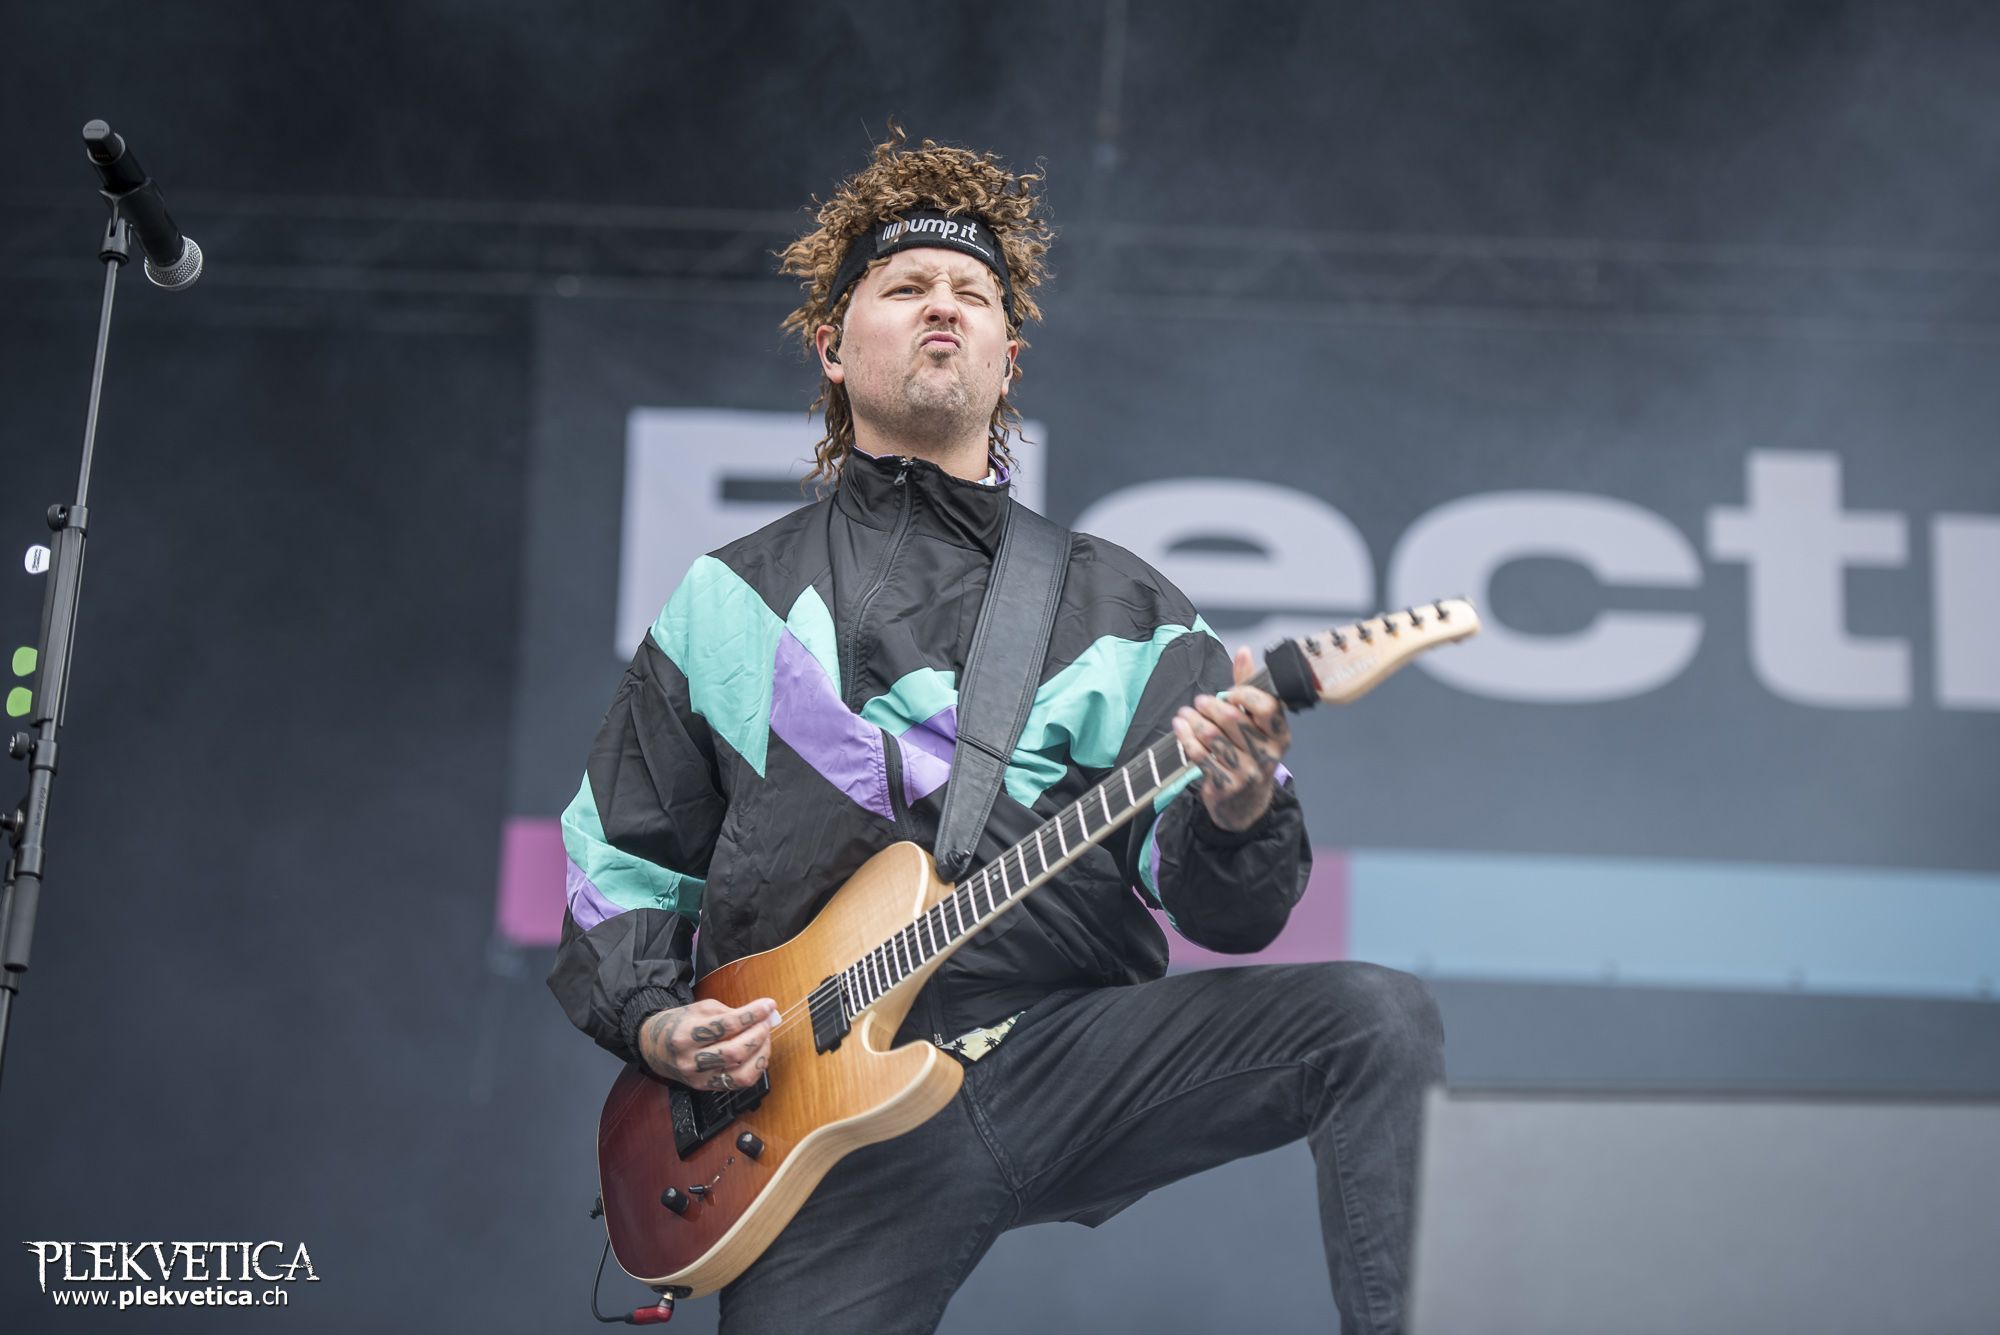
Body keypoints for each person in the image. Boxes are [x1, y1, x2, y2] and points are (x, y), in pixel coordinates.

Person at [548, 127, 1444, 1335]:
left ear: (1005, 359)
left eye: (972, 294)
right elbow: (619, 863)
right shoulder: (727, 600)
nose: (943, 307)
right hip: (804, 1119)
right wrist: (659, 1019)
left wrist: (1237, 812)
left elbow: (1225, 913)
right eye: (906, 285)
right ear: (831, 346)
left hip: (1056, 1064)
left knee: (1375, 1021)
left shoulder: (1120, 605)